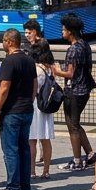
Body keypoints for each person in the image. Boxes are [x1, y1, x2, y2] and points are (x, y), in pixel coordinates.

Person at [0, 29, 36, 190]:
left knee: (10, 150)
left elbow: (4, 88)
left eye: (4, 40)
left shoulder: (9, 61)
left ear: (10, 42)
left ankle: (13, 187)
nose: (3, 44)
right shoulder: (29, 59)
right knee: (24, 148)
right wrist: (30, 101)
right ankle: (26, 186)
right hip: (27, 110)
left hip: (12, 111)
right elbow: (34, 85)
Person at [52, 14, 96, 172]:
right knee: (76, 124)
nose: (62, 31)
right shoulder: (85, 45)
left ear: (70, 31)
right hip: (85, 89)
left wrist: (57, 71)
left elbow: (70, 73)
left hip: (74, 91)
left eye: (63, 29)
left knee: (72, 126)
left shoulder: (73, 50)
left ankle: (77, 161)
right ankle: (90, 155)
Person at [29, 48, 55, 180]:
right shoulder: (49, 70)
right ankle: (46, 170)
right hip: (46, 107)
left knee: (32, 139)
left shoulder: (37, 70)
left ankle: (32, 171)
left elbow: (34, 89)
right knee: (46, 139)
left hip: (36, 106)